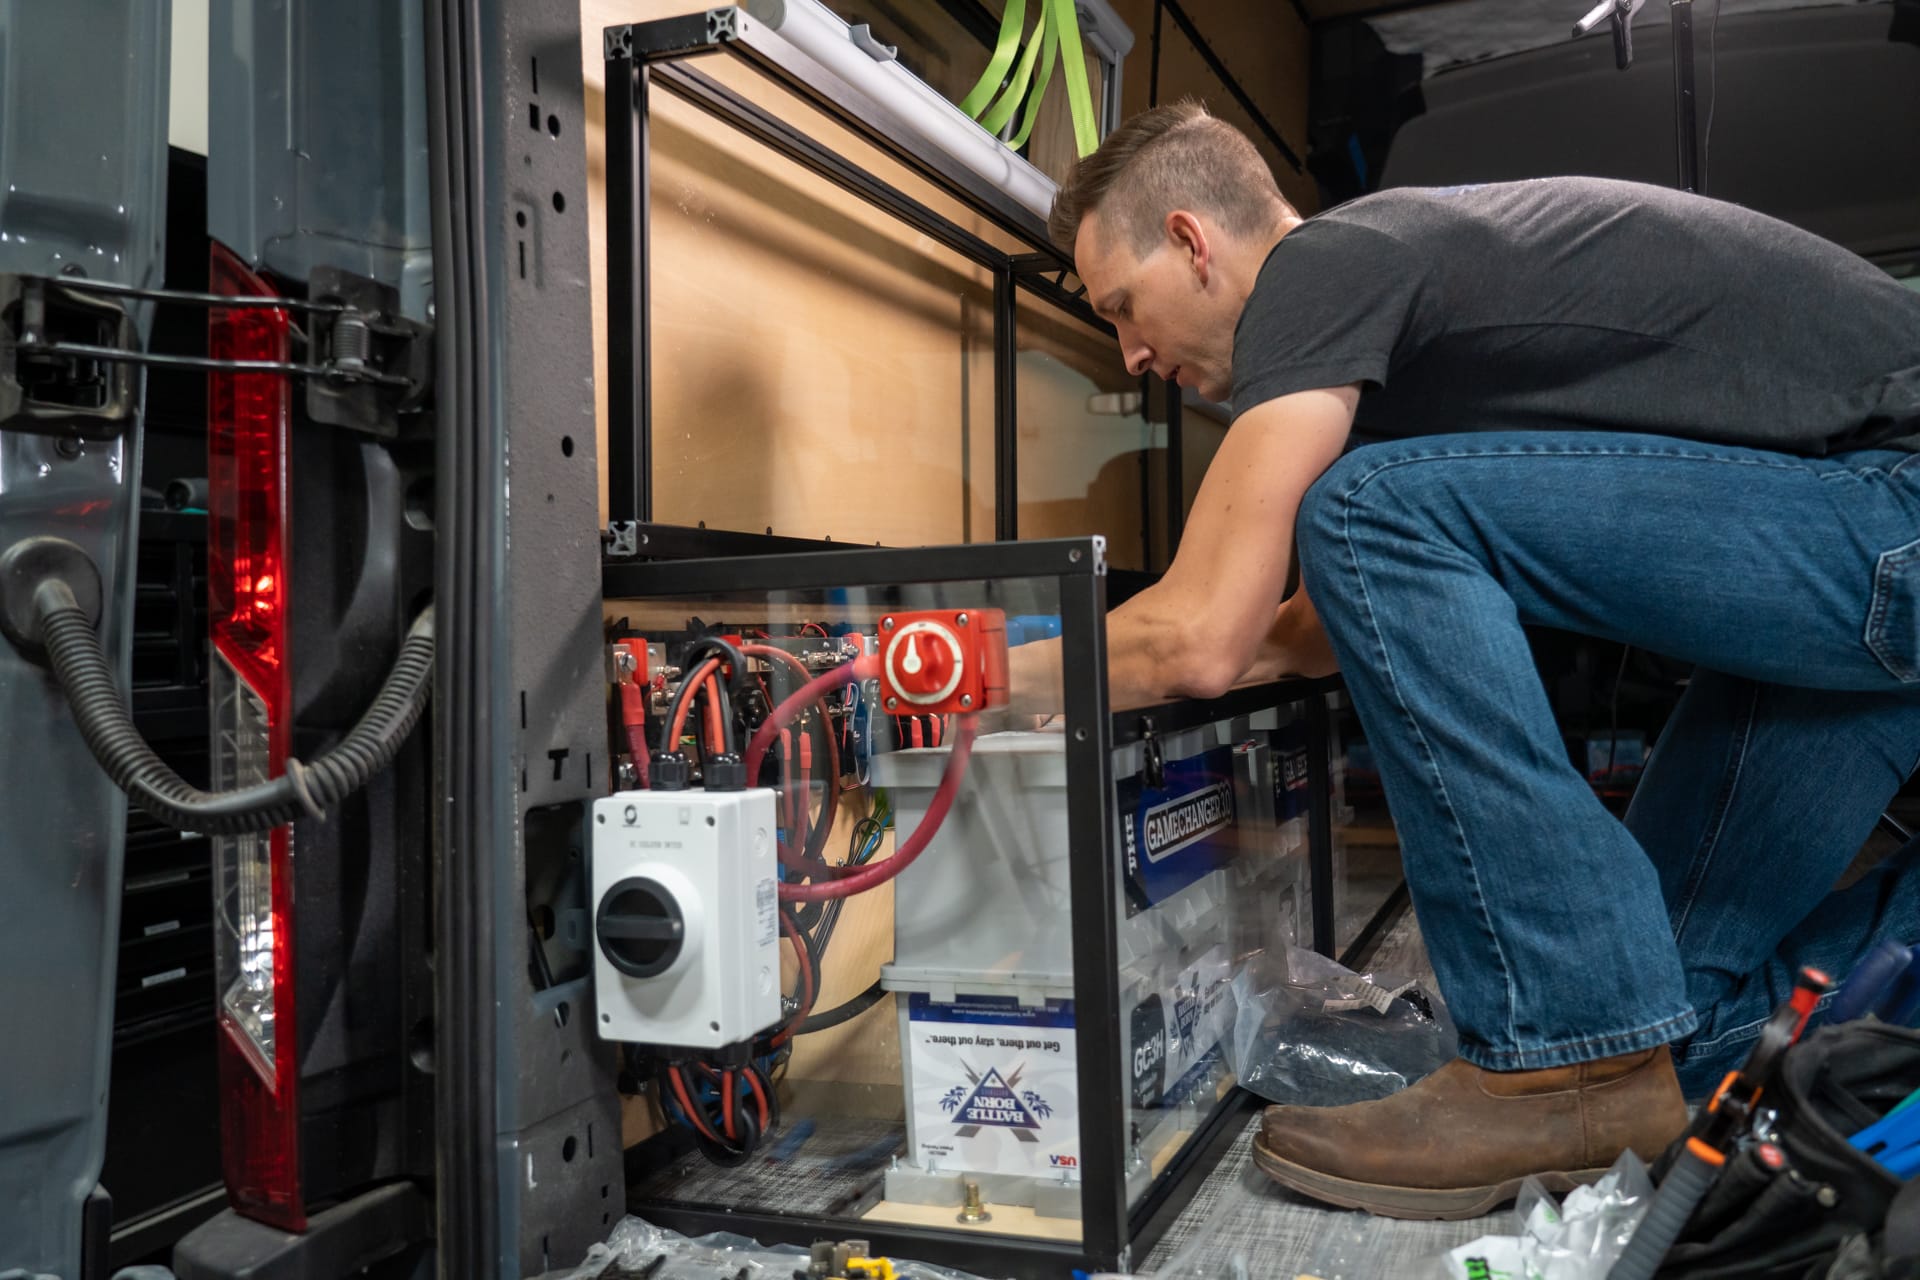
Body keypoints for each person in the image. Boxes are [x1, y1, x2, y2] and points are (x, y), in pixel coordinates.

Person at [1029, 99, 1920, 1220]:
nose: (1133, 352)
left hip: (1894, 513)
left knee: (1363, 509)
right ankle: (1617, 1065)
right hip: (1855, 567)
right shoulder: (1394, 347)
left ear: (1195, 242)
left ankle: (1549, 1057)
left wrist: (961, 674)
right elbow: (1299, 630)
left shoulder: (1323, 263)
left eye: (1122, 306)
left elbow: (1207, 633)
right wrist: (1106, 659)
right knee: (1666, 1037)